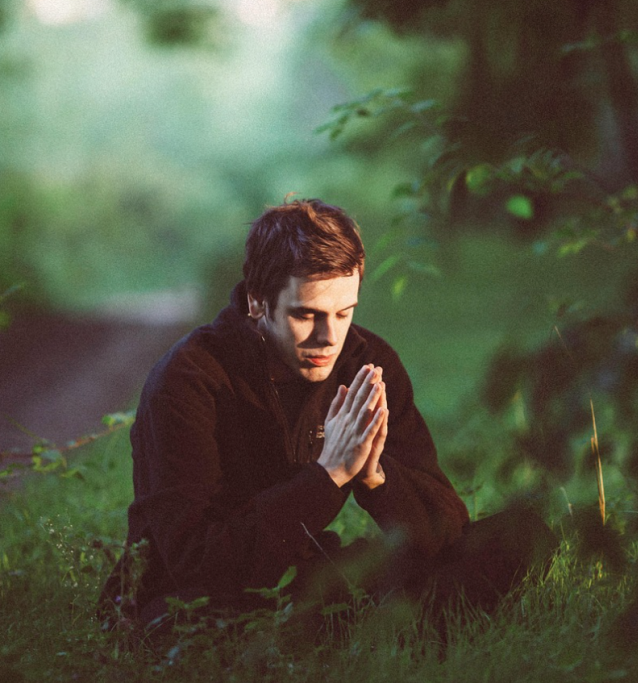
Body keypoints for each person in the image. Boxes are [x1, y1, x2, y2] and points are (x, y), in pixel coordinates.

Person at [100, 198, 555, 631]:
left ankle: (369, 632)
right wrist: (329, 475)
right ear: (258, 302)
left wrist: (376, 477)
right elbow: (195, 561)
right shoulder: (189, 380)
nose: (329, 337)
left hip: (311, 581)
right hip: (204, 594)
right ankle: (372, 633)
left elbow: (446, 533)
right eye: (306, 315)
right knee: (197, 623)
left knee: (519, 537)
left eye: (343, 313)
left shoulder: (366, 365)